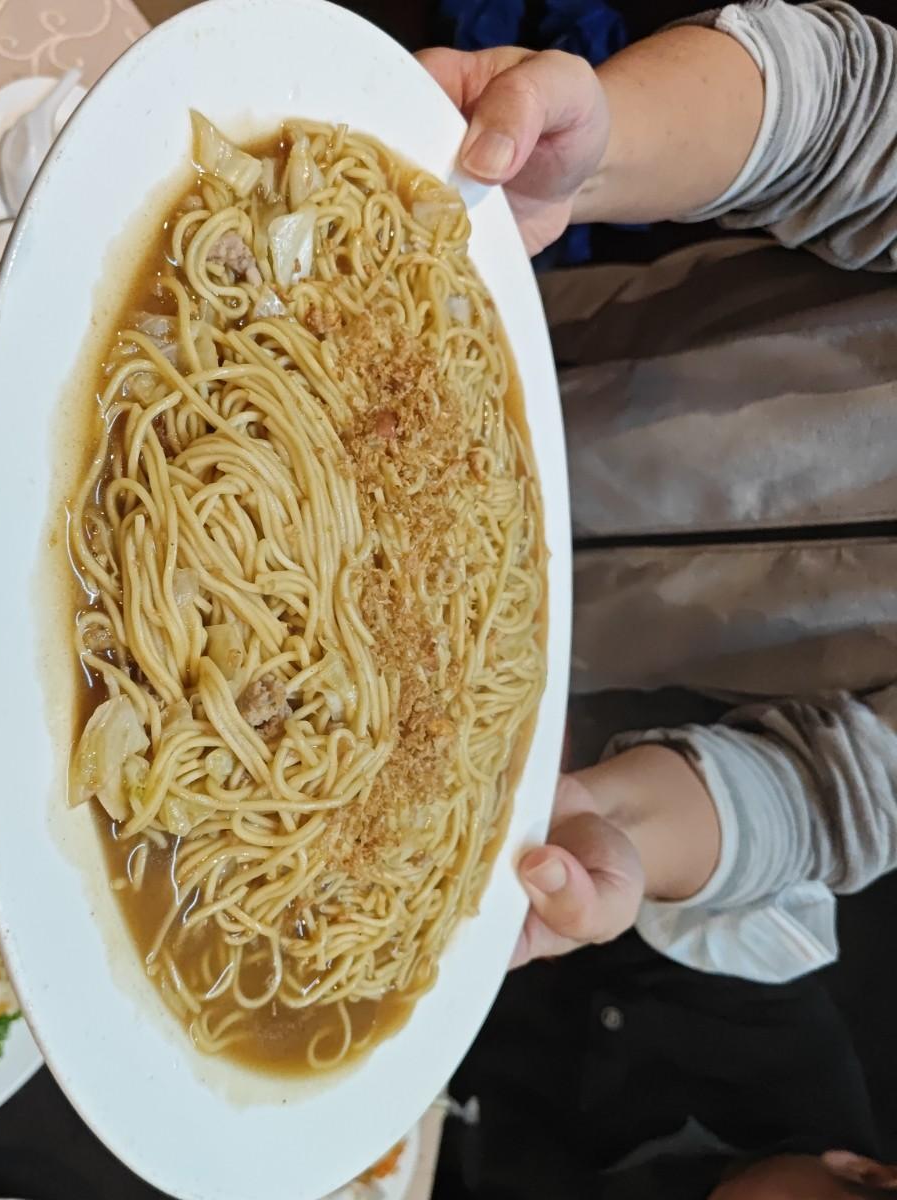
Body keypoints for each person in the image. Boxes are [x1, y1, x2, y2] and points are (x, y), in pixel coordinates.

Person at [417, 2, 897, 1195]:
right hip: (471, 350)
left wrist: (612, 826)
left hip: (473, 665)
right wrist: (599, 147)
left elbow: (830, 794)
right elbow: (847, 112)